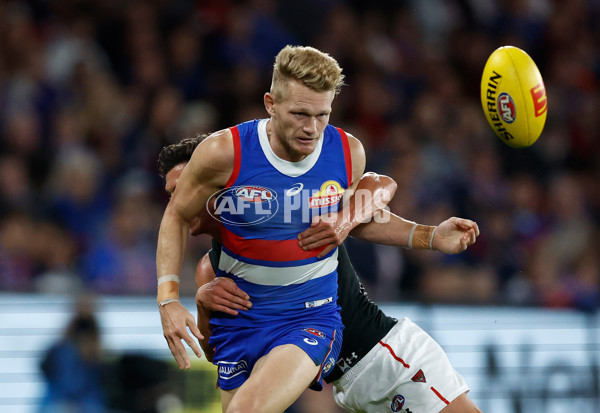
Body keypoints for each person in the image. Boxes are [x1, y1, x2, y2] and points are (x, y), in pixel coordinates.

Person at [158, 137, 483, 412]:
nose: (178, 200)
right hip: (348, 390)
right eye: (171, 193)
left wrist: (427, 236)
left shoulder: (280, 207)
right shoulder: (210, 269)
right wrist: (202, 306)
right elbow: (223, 355)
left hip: (393, 360)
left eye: (185, 186)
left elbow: (377, 185)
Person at [156, 45, 371, 413]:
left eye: (322, 115)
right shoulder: (224, 153)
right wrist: (169, 300)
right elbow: (175, 215)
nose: (312, 128)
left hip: (309, 316)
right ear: (270, 103)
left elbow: (373, 205)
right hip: (242, 326)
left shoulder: (347, 152)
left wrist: (426, 236)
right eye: (300, 114)